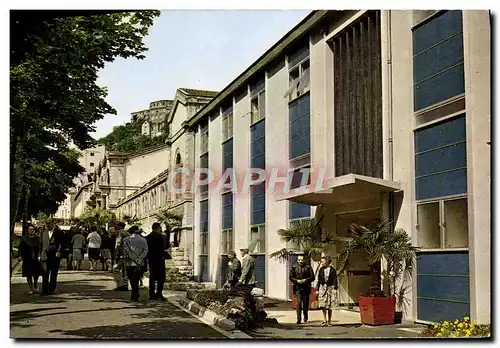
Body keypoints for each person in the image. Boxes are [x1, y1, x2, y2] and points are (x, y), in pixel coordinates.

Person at [122, 226, 148, 302]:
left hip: (130, 262)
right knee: (137, 278)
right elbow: (146, 250)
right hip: (140, 262)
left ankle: (134, 293)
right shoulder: (143, 239)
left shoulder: (126, 240)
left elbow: (126, 250)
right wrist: (139, 258)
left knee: (131, 278)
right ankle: (135, 292)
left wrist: (133, 258)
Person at [289, 254, 315, 324]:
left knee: (306, 304)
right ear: (297, 260)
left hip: (306, 288)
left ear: (304, 260)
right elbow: (291, 277)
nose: (300, 261)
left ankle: (305, 316)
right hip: (298, 288)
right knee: (299, 303)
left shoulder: (308, 267)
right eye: (299, 260)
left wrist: (305, 280)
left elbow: (312, 277)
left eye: (302, 260)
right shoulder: (294, 268)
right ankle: (299, 319)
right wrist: (297, 281)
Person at [40, 221, 64, 295]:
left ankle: (51, 289)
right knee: (45, 273)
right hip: (45, 255)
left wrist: (59, 251)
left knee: (53, 273)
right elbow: (40, 244)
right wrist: (40, 255)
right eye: (47, 224)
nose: (48, 225)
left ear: (53, 224)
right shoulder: (43, 233)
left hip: (55, 255)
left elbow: (62, 243)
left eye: (49, 224)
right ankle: (44, 290)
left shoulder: (59, 232)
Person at [146, 223, 168, 300]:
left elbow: (147, 249)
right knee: (161, 277)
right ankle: (159, 293)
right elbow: (166, 246)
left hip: (151, 259)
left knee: (152, 277)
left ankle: (152, 294)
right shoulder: (163, 237)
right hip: (160, 259)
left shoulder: (148, 237)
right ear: (159, 228)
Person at [18, 225, 42, 294]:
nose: (31, 231)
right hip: (27, 259)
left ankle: (35, 284)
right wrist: (20, 256)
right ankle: (31, 288)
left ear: (35, 230)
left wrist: (40, 256)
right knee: (28, 274)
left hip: (36, 259)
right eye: (30, 229)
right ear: (28, 231)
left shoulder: (38, 238)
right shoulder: (24, 239)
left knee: (36, 274)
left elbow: (40, 247)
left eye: (33, 229)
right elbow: (20, 248)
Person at [316, 255, 338, 326]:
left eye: (323, 261)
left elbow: (335, 279)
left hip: (330, 288)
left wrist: (335, 288)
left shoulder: (332, 270)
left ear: (327, 261)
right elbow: (318, 280)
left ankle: (329, 321)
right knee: (323, 305)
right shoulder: (321, 269)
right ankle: (324, 320)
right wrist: (317, 289)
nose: (322, 263)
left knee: (329, 306)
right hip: (323, 288)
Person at [113, 222, 130, 290]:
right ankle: (125, 284)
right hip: (127, 254)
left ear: (119, 226)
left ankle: (119, 284)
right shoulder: (128, 234)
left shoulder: (119, 233)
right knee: (125, 271)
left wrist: (116, 253)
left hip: (120, 255)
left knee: (116, 269)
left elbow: (118, 243)